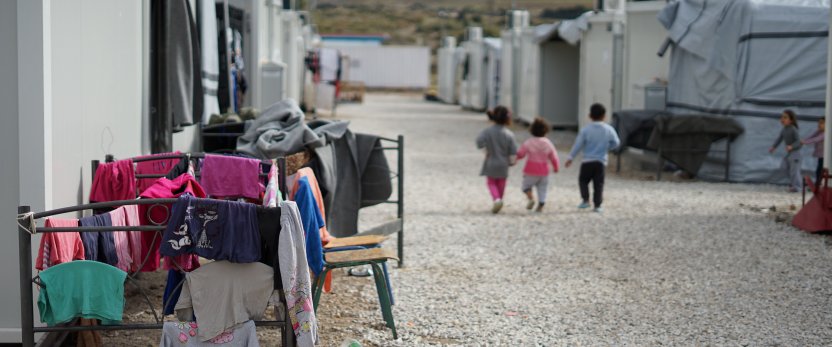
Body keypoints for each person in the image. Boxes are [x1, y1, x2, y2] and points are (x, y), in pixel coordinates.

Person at [565, 103, 620, 213]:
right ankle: (597, 206)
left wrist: (570, 157)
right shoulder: (608, 129)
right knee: (598, 184)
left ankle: (585, 200)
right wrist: (608, 148)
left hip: (587, 161)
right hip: (601, 161)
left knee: (583, 181)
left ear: (590, 116)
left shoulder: (585, 130)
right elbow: (617, 143)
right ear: (604, 116)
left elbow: (578, 145)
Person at [476, 106, 518, 214]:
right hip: (504, 163)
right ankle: (500, 199)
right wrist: (512, 160)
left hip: (491, 160)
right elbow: (513, 150)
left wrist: (485, 150)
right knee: (501, 182)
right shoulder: (509, 134)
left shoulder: (487, 131)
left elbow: (479, 141)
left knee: (491, 182)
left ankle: (496, 199)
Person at [517, 117, 560, 212]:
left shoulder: (529, 142)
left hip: (530, 170)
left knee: (526, 186)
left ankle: (531, 198)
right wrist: (556, 167)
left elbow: (521, 153)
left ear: (531, 130)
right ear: (546, 130)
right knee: (542, 188)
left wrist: (516, 158)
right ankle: (541, 203)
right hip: (544, 171)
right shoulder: (548, 143)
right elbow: (554, 156)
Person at [769, 109, 803, 192]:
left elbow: (799, 141)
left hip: (796, 153)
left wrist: (792, 146)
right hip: (790, 153)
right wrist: (773, 147)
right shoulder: (784, 130)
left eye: (785, 117)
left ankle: (798, 187)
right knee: (784, 167)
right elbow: (779, 139)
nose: (782, 119)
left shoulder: (793, 129)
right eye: (782, 117)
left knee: (794, 171)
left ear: (791, 120)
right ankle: (794, 184)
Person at [802, 118, 825, 189]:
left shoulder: (826, 134)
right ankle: (818, 184)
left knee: (820, 170)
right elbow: (812, 136)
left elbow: (816, 139)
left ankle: (818, 185)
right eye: (819, 123)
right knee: (819, 170)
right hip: (821, 156)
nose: (819, 124)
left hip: (825, 156)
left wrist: (805, 142)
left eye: (821, 123)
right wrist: (804, 140)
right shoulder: (819, 131)